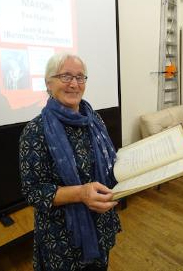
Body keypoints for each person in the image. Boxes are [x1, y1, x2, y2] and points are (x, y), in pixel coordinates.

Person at [19, 53, 121, 271]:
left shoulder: (94, 120)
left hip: (101, 224)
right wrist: (80, 193)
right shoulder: (35, 131)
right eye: (65, 76)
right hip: (63, 240)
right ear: (49, 83)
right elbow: (33, 191)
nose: (74, 84)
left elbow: (109, 162)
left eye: (80, 77)